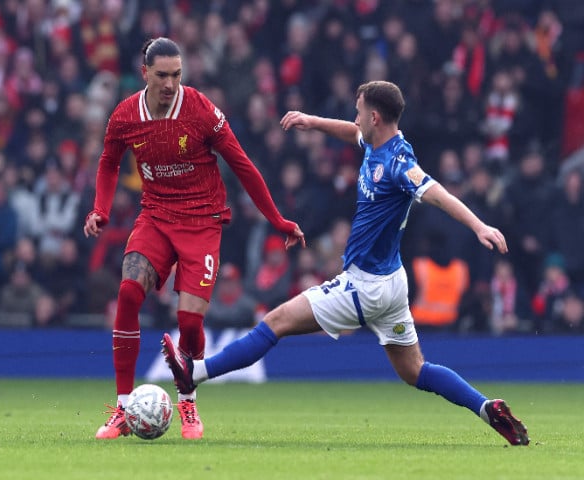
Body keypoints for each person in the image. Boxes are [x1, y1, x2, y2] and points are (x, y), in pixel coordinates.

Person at [162, 80, 530, 446]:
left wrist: (479, 225)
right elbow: (350, 132)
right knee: (414, 371)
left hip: (365, 286)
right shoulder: (377, 140)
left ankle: (194, 373)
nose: (354, 120)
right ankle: (486, 408)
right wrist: (313, 121)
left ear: (374, 116)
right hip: (391, 283)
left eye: (358, 113)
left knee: (275, 322)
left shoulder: (399, 162)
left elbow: (437, 194)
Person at [83, 37, 304, 441]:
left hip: (202, 221)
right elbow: (108, 163)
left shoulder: (201, 110)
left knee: (188, 320)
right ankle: (123, 406)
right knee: (129, 291)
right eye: (163, 75)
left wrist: (277, 219)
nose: (170, 84)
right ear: (145, 72)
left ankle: (187, 401)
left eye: (177, 75)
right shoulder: (125, 115)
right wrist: (100, 208)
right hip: (155, 216)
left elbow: (242, 165)